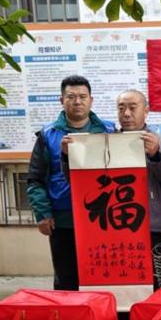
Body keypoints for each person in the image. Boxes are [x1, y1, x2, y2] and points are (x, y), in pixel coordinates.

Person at [27, 75, 115, 291]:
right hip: (64, 219)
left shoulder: (109, 130)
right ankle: (69, 313)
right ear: (62, 100)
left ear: (91, 100)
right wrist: (43, 213)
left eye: (83, 96)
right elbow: (35, 178)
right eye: (71, 97)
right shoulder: (48, 134)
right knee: (66, 278)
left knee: (103, 274)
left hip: (103, 217)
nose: (77, 101)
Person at [113, 90, 161, 289]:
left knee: (160, 287)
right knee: (123, 288)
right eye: (121, 108)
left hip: (153, 227)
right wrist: (68, 157)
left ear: (146, 112)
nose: (126, 114)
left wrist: (157, 154)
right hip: (115, 229)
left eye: (132, 108)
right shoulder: (106, 142)